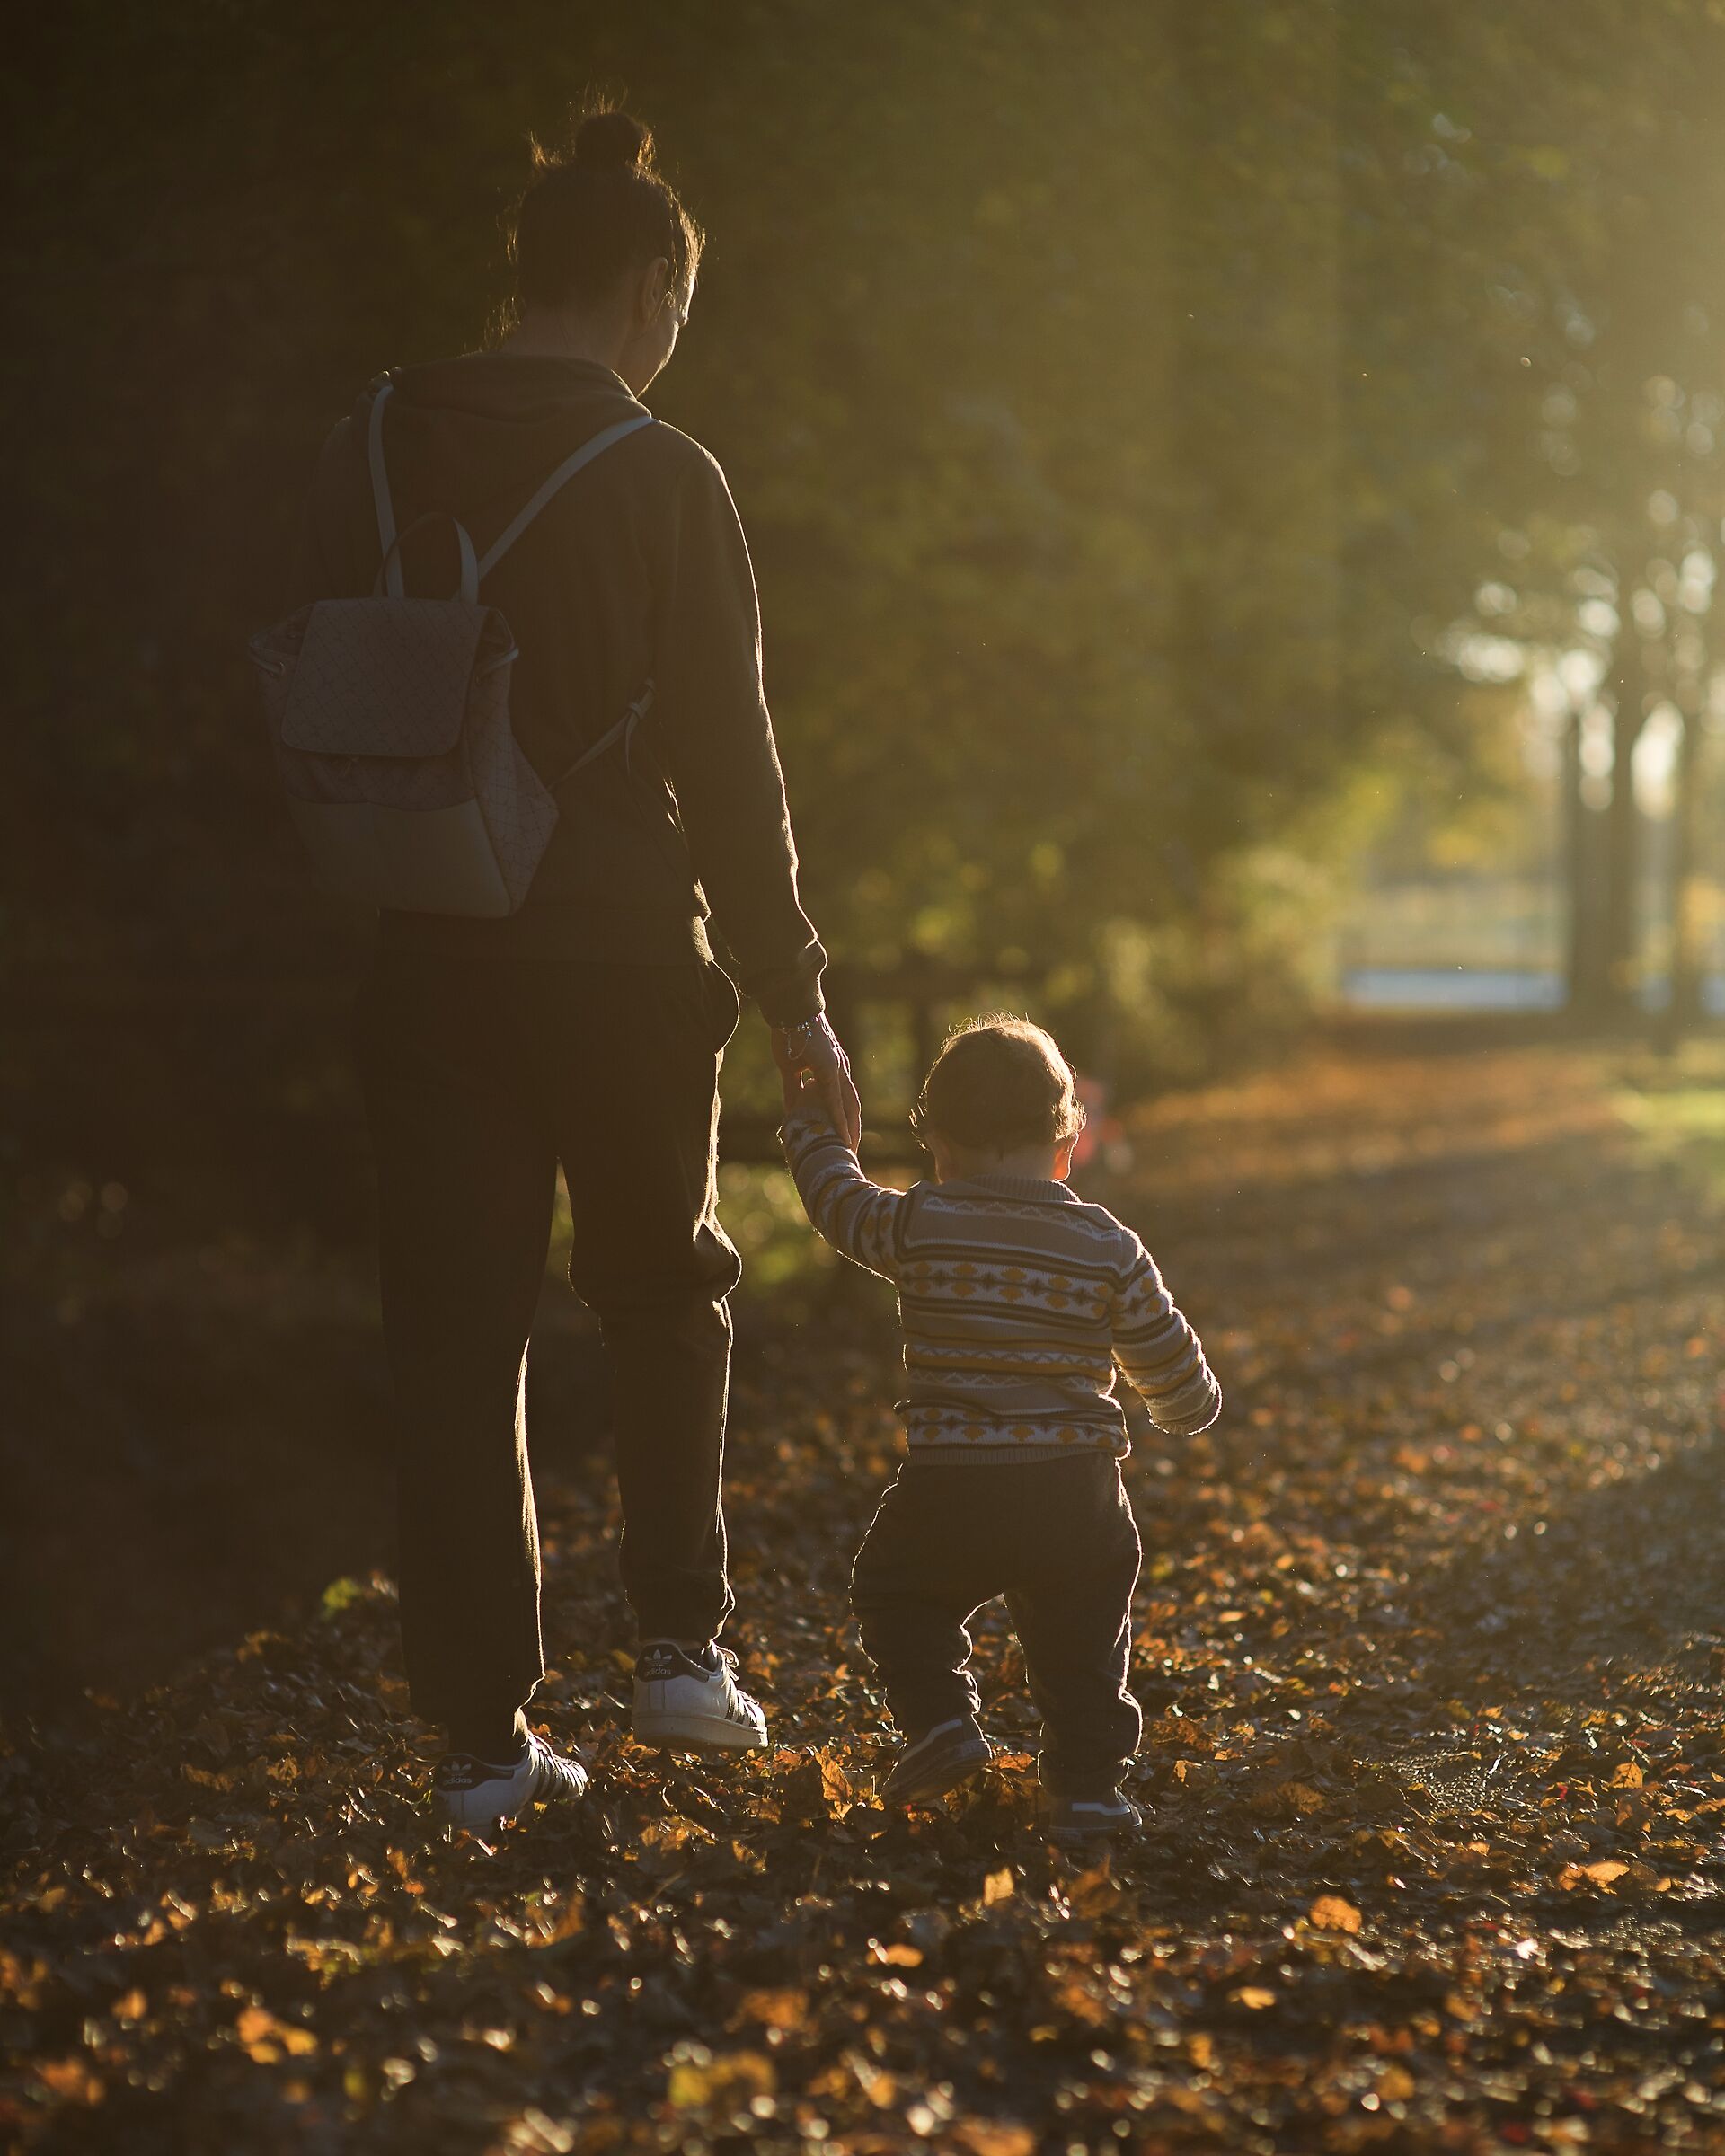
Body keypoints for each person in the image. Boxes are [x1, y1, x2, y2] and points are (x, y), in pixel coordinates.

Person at [293, 105, 860, 1831]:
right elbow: (727, 756)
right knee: (661, 1289)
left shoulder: (368, 443)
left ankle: (479, 1750)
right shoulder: (667, 477)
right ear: (646, 289)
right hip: (617, 952)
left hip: (430, 948)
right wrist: (795, 993)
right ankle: (683, 1655)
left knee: (455, 1344)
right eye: (680, 307)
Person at [778, 1016, 1220, 1836]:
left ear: (939, 1143)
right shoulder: (1104, 1243)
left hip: (953, 1486)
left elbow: (835, 1203)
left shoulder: (921, 1223)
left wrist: (810, 1124)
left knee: (895, 1590)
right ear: (1065, 1144)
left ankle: (943, 1719)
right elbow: (1167, 1353)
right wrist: (1184, 1404)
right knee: (1083, 1649)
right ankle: (1088, 1791)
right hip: (1076, 1496)